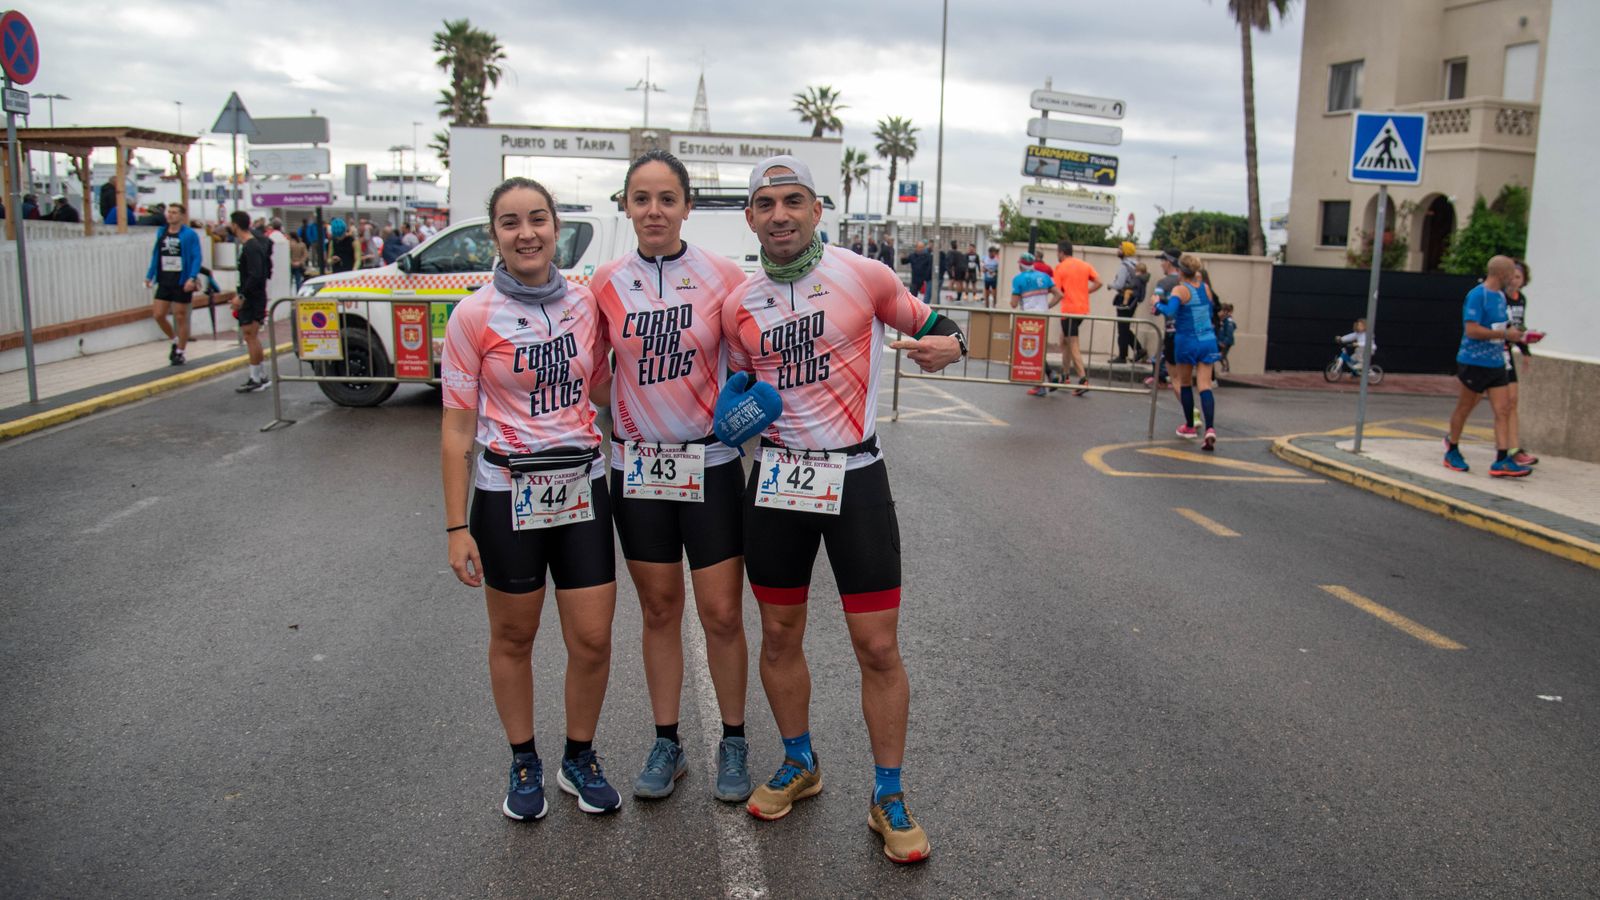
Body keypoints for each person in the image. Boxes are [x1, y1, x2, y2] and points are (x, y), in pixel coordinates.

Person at [721, 155, 964, 864]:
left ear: (817, 209)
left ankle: (888, 792)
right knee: (778, 634)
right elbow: (735, 387)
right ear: (751, 218)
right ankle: (801, 761)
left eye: (793, 201)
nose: (780, 215)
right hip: (776, 482)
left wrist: (953, 343)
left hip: (854, 478)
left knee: (879, 647)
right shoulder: (739, 301)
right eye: (766, 205)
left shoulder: (865, 276)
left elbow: (942, 323)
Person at [440, 176, 623, 822]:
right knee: (514, 636)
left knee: (594, 638)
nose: (527, 233)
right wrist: (455, 528)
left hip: (581, 486)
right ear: (494, 234)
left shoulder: (583, 305)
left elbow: (603, 388)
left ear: (555, 227)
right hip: (505, 490)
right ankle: (524, 760)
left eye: (538, 219)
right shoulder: (473, 316)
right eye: (511, 222)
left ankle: (579, 755)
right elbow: (458, 427)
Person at [590, 150, 754, 804]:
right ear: (626, 207)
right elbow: (592, 374)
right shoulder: (603, 281)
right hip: (638, 470)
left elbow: (746, 367)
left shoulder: (722, 276)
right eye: (641, 199)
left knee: (720, 612)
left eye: (666, 198)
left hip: (709, 465)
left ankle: (734, 738)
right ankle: (668, 741)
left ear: (688, 205)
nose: (653, 211)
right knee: (659, 609)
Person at [1443, 256, 1531, 476]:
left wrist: (1519, 336)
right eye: (1511, 273)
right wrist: (1504, 333)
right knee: (1465, 407)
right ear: (1501, 274)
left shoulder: (1501, 297)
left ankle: (1502, 459)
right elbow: (1471, 330)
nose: (1513, 278)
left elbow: (1503, 327)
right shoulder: (1477, 295)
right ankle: (1452, 448)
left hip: (1496, 362)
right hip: (1474, 362)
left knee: (1503, 409)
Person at [1155, 253, 1222, 451]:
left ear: (1181, 271)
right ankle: (1210, 428)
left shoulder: (1180, 289)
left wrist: (1156, 303)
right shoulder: (1205, 288)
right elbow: (1209, 310)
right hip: (1208, 339)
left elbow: (1169, 311)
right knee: (1205, 385)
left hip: (1187, 340)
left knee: (1185, 384)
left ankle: (1190, 426)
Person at [144, 202, 202, 366]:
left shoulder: (189, 234)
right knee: (158, 314)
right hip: (164, 278)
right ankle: (175, 339)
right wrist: (150, 275)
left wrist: (192, 277)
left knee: (180, 316)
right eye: (169, 212)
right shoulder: (161, 232)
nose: (170, 215)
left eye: (175, 212)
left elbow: (196, 256)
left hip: (182, 279)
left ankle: (180, 351)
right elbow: (156, 255)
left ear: (182, 216)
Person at [226, 211, 275, 392]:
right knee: (252, 336)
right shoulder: (251, 245)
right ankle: (260, 375)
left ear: (235, 225)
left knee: (250, 336)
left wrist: (242, 296)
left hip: (252, 298)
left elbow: (256, 274)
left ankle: (256, 377)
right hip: (254, 296)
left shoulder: (251, 247)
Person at [1051, 240, 1102, 396]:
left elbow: (1057, 292)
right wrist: (1086, 292)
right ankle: (1065, 375)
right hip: (1082, 310)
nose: (1057, 255)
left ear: (1062, 252)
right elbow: (1099, 282)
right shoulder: (1084, 265)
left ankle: (1083, 379)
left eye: (1057, 252)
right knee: (1064, 340)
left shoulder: (1060, 267)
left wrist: (1048, 305)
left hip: (1069, 311)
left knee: (1072, 343)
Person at [1011, 252, 1063, 397]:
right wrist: (1047, 306)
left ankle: (1040, 385)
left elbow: (1013, 304)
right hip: (1043, 317)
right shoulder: (1044, 277)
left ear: (1020, 264)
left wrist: (1018, 298)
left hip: (1027, 319)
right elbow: (1059, 294)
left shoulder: (1018, 279)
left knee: (1031, 351)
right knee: (1038, 350)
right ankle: (1050, 375)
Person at [1503, 260, 1538, 467]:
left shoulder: (1521, 300)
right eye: (1512, 276)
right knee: (1471, 400)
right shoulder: (1499, 298)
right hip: (1492, 353)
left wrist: (1525, 350)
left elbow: (1519, 328)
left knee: (1512, 401)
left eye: (1519, 277)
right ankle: (1452, 439)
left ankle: (1513, 448)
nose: (1515, 280)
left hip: (1508, 353)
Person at [1146, 248, 1184, 394]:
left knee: (1170, 367)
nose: (1161, 264)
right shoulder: (1186, 282)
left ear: (1169, 262)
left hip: (1172, 328)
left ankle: (1161, 379)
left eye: (1162, 261)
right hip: (1189, 329)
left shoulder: (1163, 283)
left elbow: (1155, 309)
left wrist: (1156, 305)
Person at [1108, 242, 1146, 364]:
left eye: (1120, 248)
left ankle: (1123, 356)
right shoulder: (1135, 265)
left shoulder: (1125, 266)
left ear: (1125, 251)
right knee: (1125, 327)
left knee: (1122, 328)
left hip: (1124, 298)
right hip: (1133, 300)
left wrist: (1110, 285)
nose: (1117, 250)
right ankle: (1138, 350)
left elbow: (1119, 284)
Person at [1216, 302, 1237, 372]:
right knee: (1219, 356)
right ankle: (1225, 368)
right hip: (1220, 341)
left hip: (1226, 342)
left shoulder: (1228, 321)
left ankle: (1226, 369)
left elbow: (1229, 333)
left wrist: (1224, 342)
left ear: (1225, 312)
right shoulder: (1222, 320)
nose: (1218, 313)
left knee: (1222, 356)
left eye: (1220, 311)